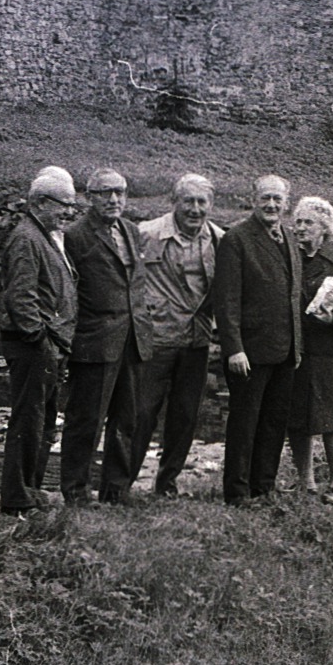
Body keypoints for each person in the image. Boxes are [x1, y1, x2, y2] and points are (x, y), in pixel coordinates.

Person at [59, 167, 152, 504]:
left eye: (120, 192)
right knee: (86, 420)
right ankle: (75, 490)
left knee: (128, 418)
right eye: (105, 193)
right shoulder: (75, 235)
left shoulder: (130, 230)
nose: (114, 199)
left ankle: (116, 489)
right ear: (89, 197)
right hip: (95, 340)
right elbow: (67, 293)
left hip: (133, 338)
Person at [130, 173, 224, 498]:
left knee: (185, 417)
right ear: (175, 203)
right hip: (155, 340)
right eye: (188, 201)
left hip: (197, 342)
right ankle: (121, 483)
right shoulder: (146, 234)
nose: (195, 209)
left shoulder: (220, 241)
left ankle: (166, 484)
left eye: (202, 202)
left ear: (211, 205)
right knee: (141, 413)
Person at [215, 174, 303, 506]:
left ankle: (263, 487)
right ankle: (237, 493)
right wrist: (234, 348)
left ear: (286, 203)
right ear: (254, 199)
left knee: (273, 423)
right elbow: (226, 300)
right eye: (266, 198)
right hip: (249, 351)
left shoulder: (289, 238)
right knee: (244, 423)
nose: (271, 205)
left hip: (285, 349)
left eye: (278, 200)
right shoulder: (236, 239)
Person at [0, 166, 79, 519]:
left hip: (49, 345)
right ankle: (17, 498)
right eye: (64, 205)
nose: (69, 212)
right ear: (41, 202)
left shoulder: (43, 235)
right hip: (33, 346)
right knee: (28, 422)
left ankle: (30, 490)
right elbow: (21, 297)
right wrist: (41, 341)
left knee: (44, 422)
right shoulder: (26, 238)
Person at [285, 196, 333, 505]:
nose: (301, 228)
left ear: (325, 228)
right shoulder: (291, 255)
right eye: (299, 221)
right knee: (298, 415)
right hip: (301, 346)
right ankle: (305, 482)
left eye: (308, 223)